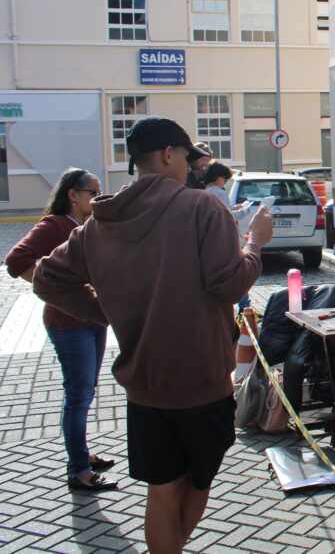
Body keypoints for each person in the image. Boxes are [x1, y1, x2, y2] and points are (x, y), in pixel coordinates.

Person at [33, 116, 273, 554]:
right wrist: (255, 243)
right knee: (198, 481)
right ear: (167, 154)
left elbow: (47, 279)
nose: (189, 168)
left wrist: (104, 311)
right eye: (186, 158)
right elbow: (229, 283)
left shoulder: (99, 223)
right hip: (201, 380)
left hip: (143, 387)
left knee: (162, 489)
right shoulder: (201, 208)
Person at [4, 168, 117, 491]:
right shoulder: (55, 225)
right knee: (78, 394)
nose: (97, 198)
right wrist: (57, 289)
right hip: (68, 323)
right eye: (93, 192)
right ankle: (78, 470)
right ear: (73, 195)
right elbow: (16, 259)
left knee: (86, 391)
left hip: (92, 319)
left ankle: (82, 454)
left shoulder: (86, 226)